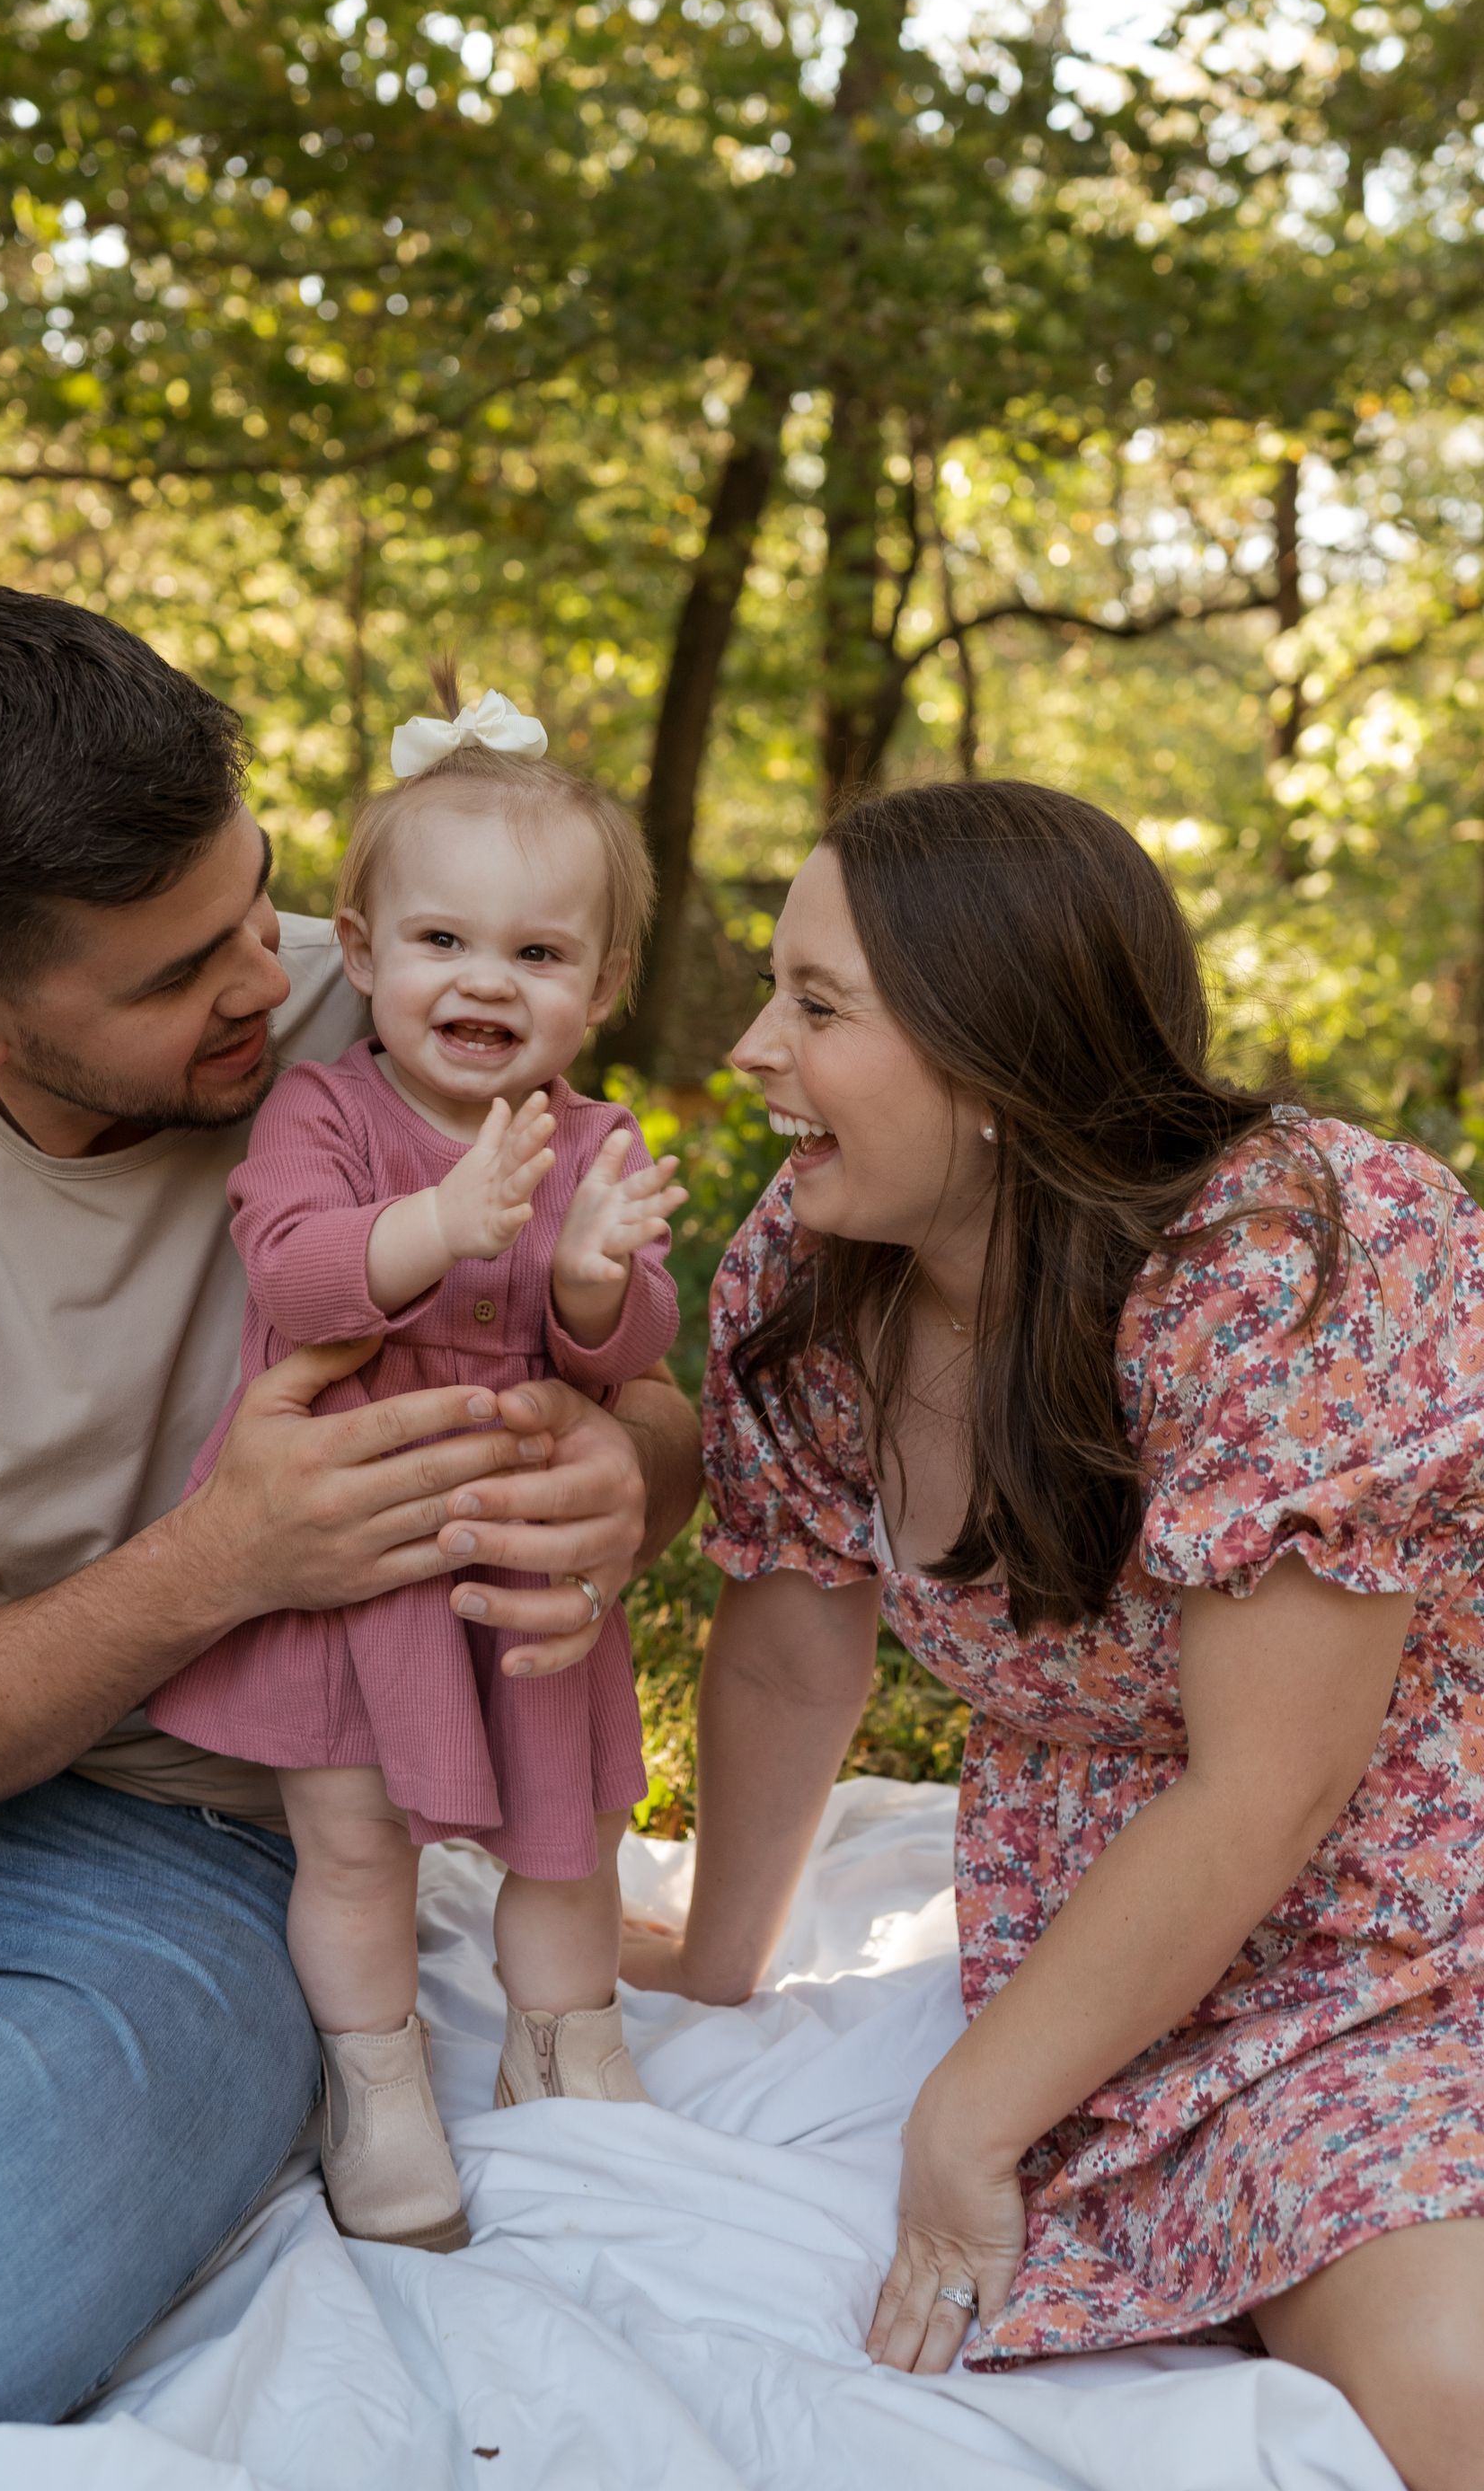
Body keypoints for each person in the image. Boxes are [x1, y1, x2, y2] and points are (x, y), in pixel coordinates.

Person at [0, 587, 700, 2434]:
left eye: (254, 899)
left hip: (191, 1838)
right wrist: (221, 1562)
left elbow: (635, 1388)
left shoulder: (412, 996)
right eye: (180, 975)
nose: (269, 981)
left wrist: (624, 1477)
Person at [626, 780, 1484, 2491]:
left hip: (1404, 1928)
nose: (746, 1049)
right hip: (1126, 1957)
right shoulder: (809, 1282)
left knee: (1453, 2388)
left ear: (997, 1055)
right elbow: (797, 1647)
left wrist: (967, 2122)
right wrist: (715, 1974)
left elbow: (1269, 1793)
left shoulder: (1294, 1261)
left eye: (815, 1004)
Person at [151, 667, 685, 2251]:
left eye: (537, 953)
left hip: (516, 1555)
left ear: (601, 985)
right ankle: (375, 2079)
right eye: (443, 942)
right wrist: (442, 1225)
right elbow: (300, 1275)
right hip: (350, 1553)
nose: (485, 982)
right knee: (352, 1839)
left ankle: (564, 2042)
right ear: (367, 954)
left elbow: (629, 1353)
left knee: (567, 1825)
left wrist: (590, 1283)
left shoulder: (594, 1146)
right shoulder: (320, 1112)